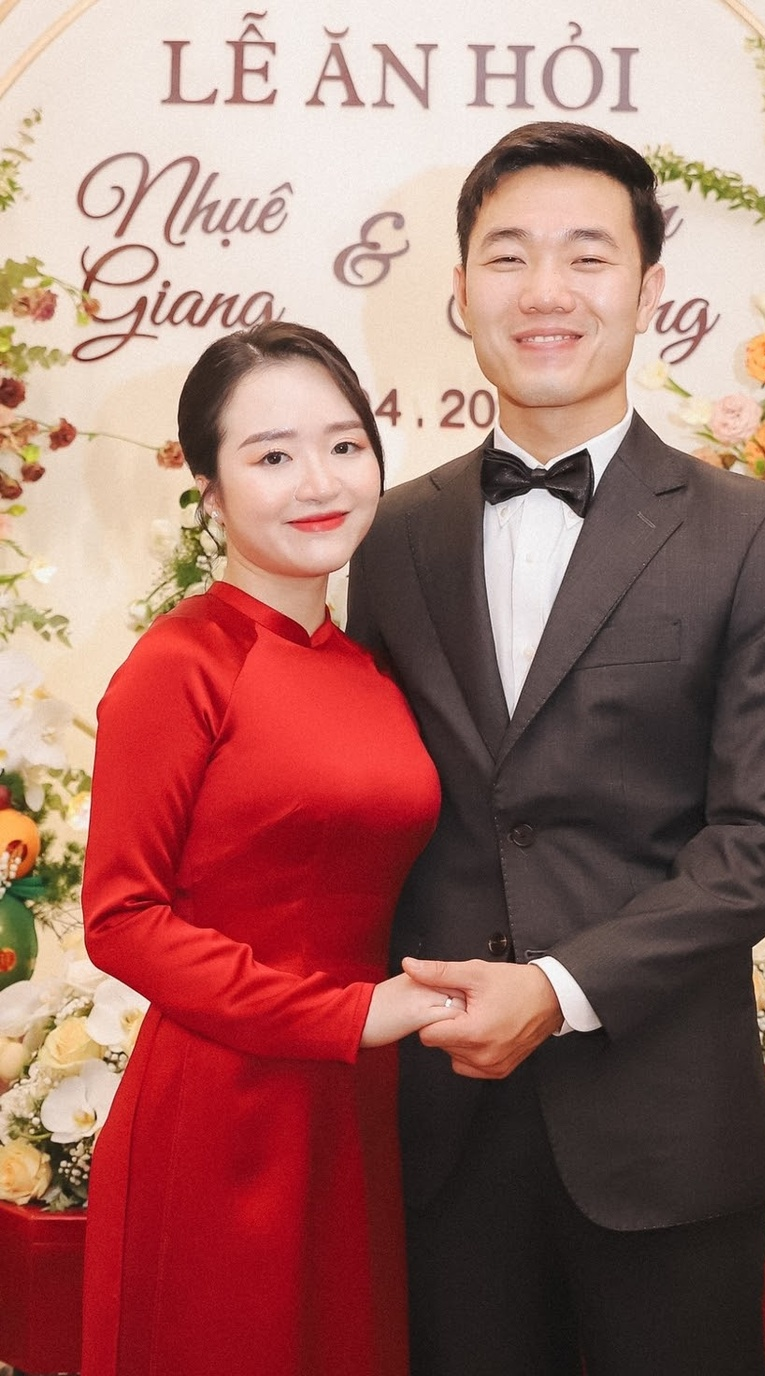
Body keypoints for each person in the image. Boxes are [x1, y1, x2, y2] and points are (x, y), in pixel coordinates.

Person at [347, 122, 765, 1376]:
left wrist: (558, 987)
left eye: (585, 255)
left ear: (648, 288)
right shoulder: (387, 536)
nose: (545, 291)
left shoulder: (750, 532)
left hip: (660, 1130)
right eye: (508, 256)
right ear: (460, 290)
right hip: (441, 1135)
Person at [80, 320, 465, 1376]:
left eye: (344, 445)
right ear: (208, 489)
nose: (319, 482)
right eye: (272, 455)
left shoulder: (369, 664)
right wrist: (349, 1014)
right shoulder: (182, 663)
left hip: (356, 1106)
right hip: (224, 1106)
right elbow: (122, 919)